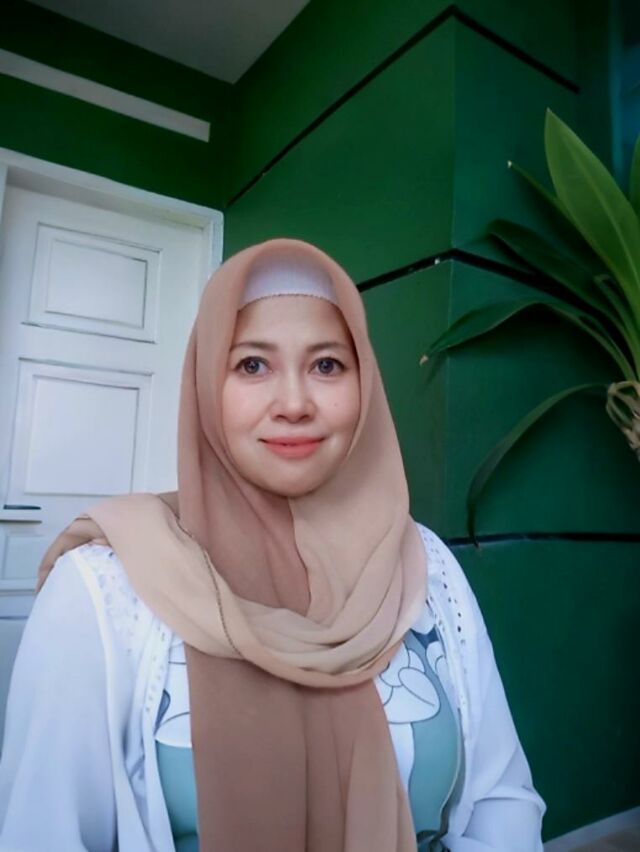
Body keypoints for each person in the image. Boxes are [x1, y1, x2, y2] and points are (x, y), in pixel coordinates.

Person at [0, 238, 545, 852]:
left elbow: (501, 799)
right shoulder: (105, 588)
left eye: (327, 365)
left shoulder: (425, 565)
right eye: (252, 365)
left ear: (365, 384)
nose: (294, 404)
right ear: (206, 386)